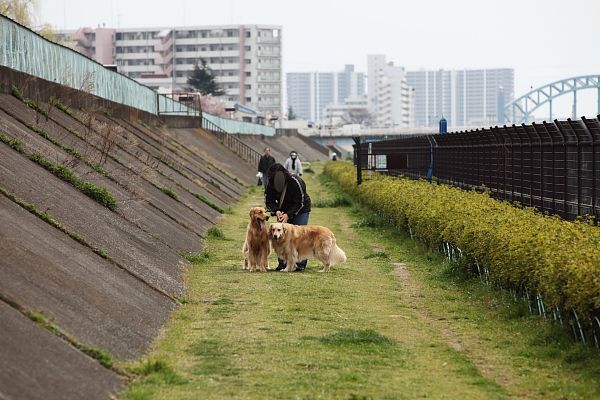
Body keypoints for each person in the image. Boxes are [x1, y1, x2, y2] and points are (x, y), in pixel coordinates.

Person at [265, 163, 312, 271]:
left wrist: (288, 215)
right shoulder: (270, 184)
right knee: (280, 236)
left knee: (299, 237)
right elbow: (269, 201)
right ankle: (283, 263)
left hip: (301, 209)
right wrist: (276, 210)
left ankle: (300, 263)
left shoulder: (295, 181)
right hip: (282, 210)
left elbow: (300, 202)